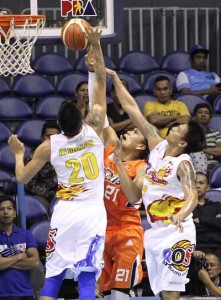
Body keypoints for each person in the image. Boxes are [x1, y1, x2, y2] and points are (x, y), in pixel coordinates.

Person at [8, 27, 107, 300]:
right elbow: (99, 81)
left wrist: (18, 153)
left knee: (54, 274)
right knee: (87, 276)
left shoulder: (50, 145)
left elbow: (21, 178)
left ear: (59, 126)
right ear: (81, 120)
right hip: (92, 213)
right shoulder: (95, 127)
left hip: (64, 212)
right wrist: (95, 45)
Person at [106, 68, 206, 300]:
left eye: (179, 129)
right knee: (162, 293)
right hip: (155, 233)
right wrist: (114, 78)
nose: (175, 127)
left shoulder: (183, 163)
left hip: (177, 233)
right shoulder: (157, 146)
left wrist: (181, 215)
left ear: (182, 142)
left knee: (171, 292)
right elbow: (132, 108)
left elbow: (191, 194)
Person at [87, 51, 148, 300]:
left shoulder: (142, 167)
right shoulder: (110, 144)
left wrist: (119, 165)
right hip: (102, 229)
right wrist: (94, 69)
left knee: (120, 293)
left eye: (134, 133)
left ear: (141, 146)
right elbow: (97, 109)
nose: (128, 132)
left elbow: (134, 197)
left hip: (127, 231)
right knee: (102, 292)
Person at [0, 194, 40, 299]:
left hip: (25, 294)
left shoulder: (26, 235)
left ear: (14, 214)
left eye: (9, 208)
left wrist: (5, 262)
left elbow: (35, 262)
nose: (5, 212)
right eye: (2, 209)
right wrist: (19, 257)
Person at [24, 121, 61, 210]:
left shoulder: (67, 154)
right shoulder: (34, 157)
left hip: (64, 193)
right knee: (37, 207)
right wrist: (48, 194)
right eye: (48, 136)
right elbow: (30, 184)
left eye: (55, 137)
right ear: (42, 138)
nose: (52, 140)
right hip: (44, 196)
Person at [193, 172, 221, 260]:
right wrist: (213, 222)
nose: (197, 186)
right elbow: (188, 228)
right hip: (196, 249)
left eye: (201, 183)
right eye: (194, 183)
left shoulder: (217, 206)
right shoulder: (183, 208)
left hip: (218, 247)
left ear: (207, 187)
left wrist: (202, 219)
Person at [193, 103, 221, 174]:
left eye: (207, 113)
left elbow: (220, 151)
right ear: (195, 116)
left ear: (210, 117)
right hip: (195, 167)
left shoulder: (215, 133)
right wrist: (212, 153)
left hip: (215, 166)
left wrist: (201, 149)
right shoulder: (189, 133)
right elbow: (190, 152)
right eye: (200, 112)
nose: (203, 115)